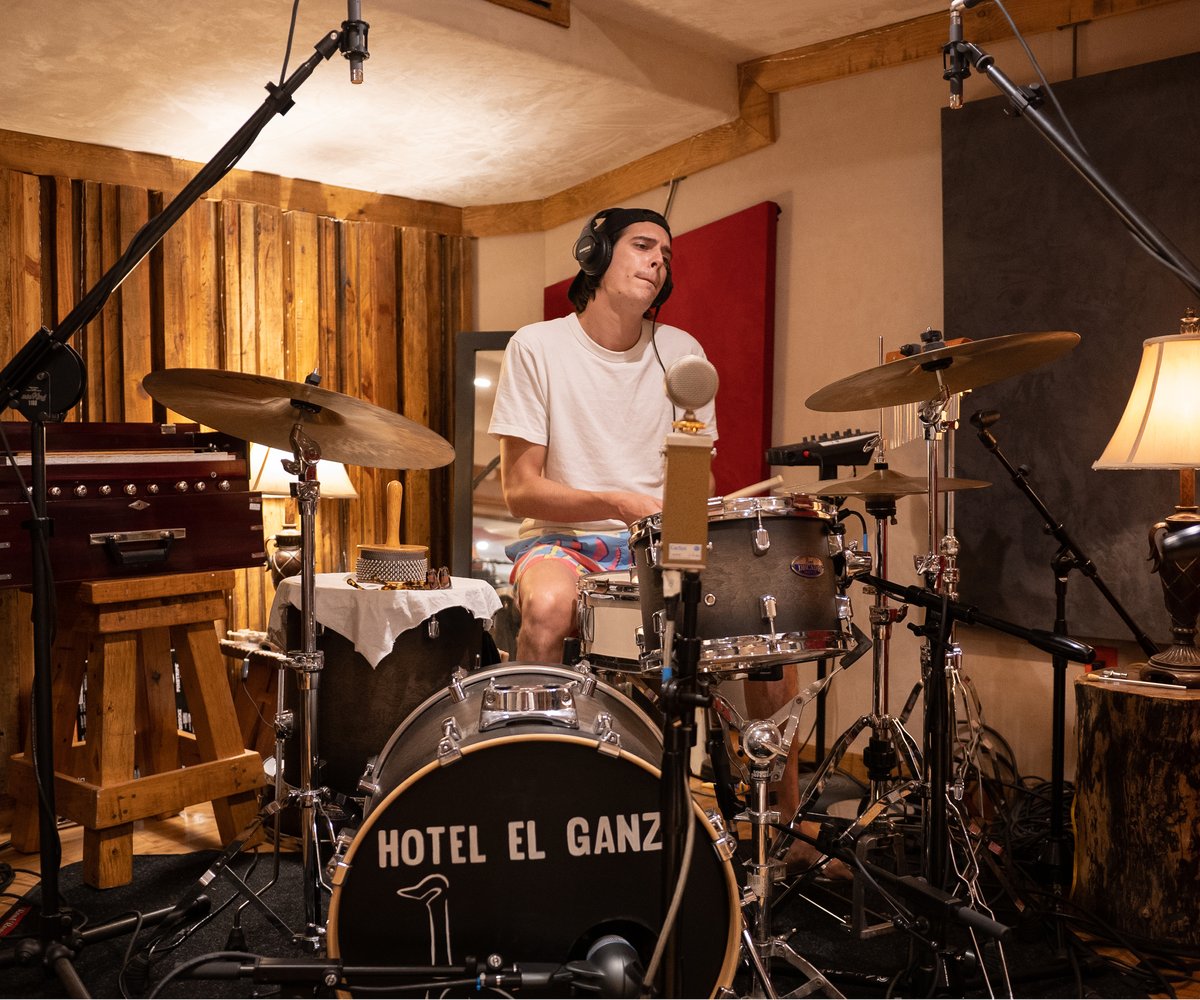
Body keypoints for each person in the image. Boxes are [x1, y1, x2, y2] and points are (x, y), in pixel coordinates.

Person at [488, 206, 716, 664]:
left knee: (760, 607)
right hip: (561, 542)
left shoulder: (683, 352)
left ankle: (754, 723)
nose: (658, 261)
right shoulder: (536, 346)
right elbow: (520, 491)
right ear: (596, 254)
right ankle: (536, 713)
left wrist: (687, 503)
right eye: (642, 246)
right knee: (548, 607)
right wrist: (618, 503)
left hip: (659, 544)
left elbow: (700, 480)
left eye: (666, 255)